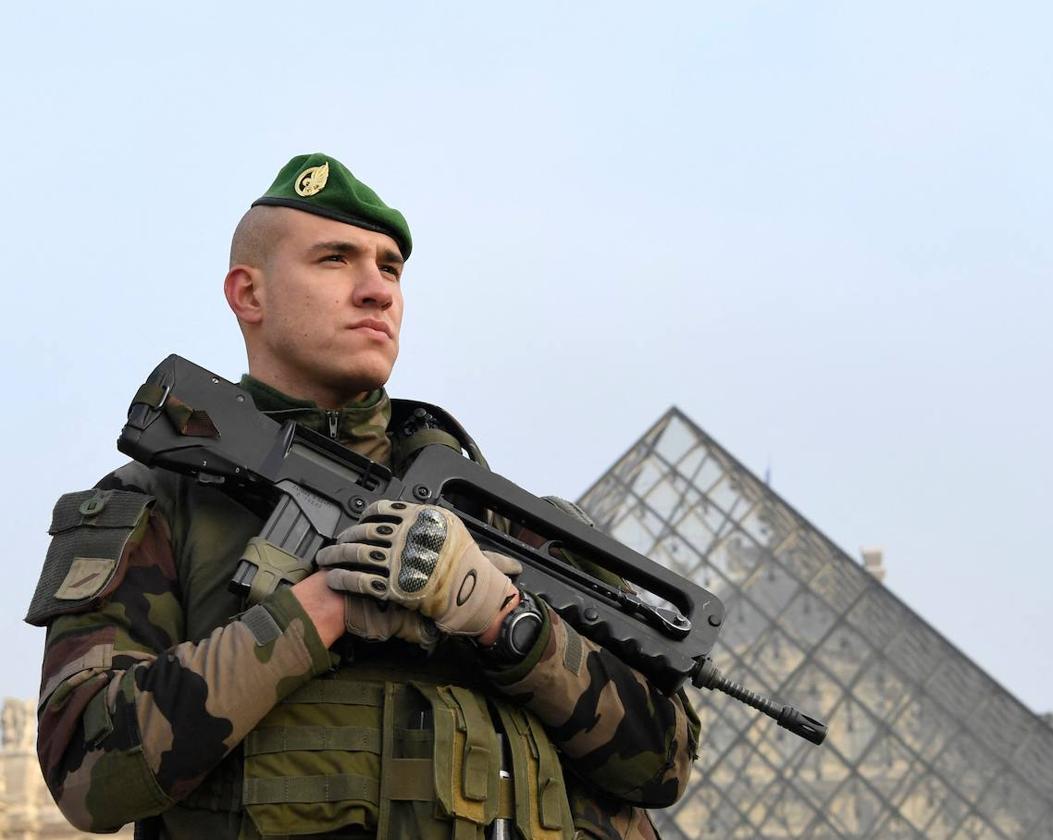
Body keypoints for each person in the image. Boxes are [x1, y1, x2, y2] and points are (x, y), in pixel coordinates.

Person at [27, 154, 699, 840]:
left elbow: (664, 764)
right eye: (335, 259)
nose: (377, 289)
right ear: (248, 294)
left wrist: (507, 620)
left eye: (390, 268)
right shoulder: (157, 508)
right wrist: (322, 609)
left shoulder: (510, 527)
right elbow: (89, 778)